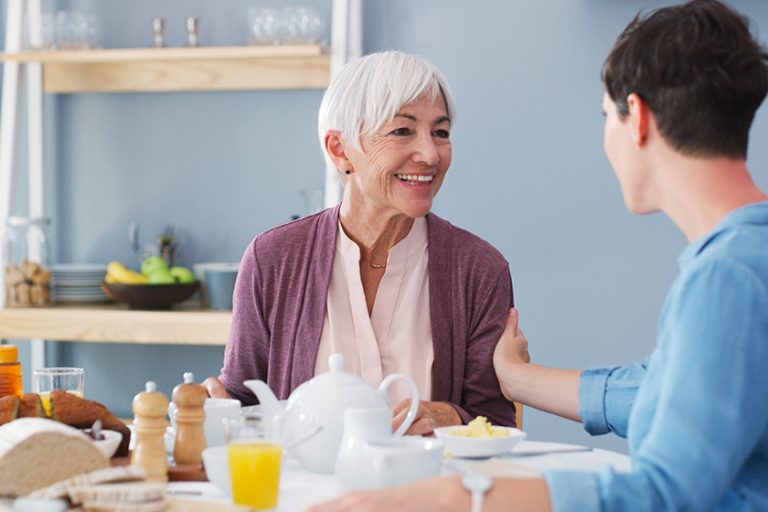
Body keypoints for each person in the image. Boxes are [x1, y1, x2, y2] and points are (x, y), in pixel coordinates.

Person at [310, 0, 768, 510]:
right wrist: (517, 377)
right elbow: (661, 393)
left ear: (635, 118)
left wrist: (456, 497)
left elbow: (663, 494)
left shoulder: (729, 275)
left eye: (605, 117)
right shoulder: (745, 256)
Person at [203, 50, 517, 433]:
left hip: (429, 490)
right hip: (304, 491)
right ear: (340, 149)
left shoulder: (480, 269)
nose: (430, 154)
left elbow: (497, 423)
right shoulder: (273, 259)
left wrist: (452, 418)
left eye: (441, 132)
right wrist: (214, 408)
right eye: (402, 131)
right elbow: (243, 401)